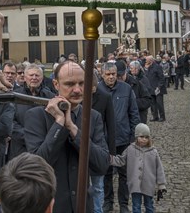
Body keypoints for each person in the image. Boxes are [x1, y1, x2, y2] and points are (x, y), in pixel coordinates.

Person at [24, 61, 110, 212]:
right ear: (56, 84)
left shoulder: (92, 116)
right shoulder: (36, 116)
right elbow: (38, 165)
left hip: (83, 205)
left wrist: (73, 130)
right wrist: (59, 124)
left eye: (82, 83)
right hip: (50, 205)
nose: (77, 89)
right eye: (69, 84)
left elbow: (102, 164)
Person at [98, 62, 140, 213]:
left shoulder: (126, 89)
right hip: (104, 139)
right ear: (102, 74)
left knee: (124, 173)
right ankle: (108, 201)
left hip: (123, 138)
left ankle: (123, 203)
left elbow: (134, 113)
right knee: (106, 172)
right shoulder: (96, 90)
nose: (111, 77)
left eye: (113, 74)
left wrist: (133, 136)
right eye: (108, 74)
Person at [111, 123, 167, 213]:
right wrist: (110, 159)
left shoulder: (153, 152)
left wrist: (161, 185)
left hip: (149, 184)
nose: (144, 139)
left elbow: (159, 169)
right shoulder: (130, 149)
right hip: (135, 185)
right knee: (136, 206)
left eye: (146, 137)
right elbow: (121, 160)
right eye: (141, 137)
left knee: (149, 205)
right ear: (136, 137)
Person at [8, 64, 55, 160]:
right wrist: (29, 137)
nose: (34, 78)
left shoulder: (50, 97)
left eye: (37, 75)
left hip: (43, 148)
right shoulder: (15, 96)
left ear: (42, 78)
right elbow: (10, 122)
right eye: (31, 75)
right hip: (20, 149)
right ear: (25, 78)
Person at [91, 75, 116, 213]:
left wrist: (111, 152)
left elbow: (111, 126)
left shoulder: (105, 97)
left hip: (99, 145)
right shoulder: (77, 93)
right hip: (78, 144)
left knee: (98, 186)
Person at [145, 56, 166, 122]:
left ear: (150, 60)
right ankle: (155, 116)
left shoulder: (157, 67)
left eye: (147, 60)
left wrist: (159, 87)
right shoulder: (148, 67)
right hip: (151, 88)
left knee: (159, 103)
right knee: (153, 104)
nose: (146, 61)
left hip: (158, 88)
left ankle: (162, 117)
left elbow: (161, 78)